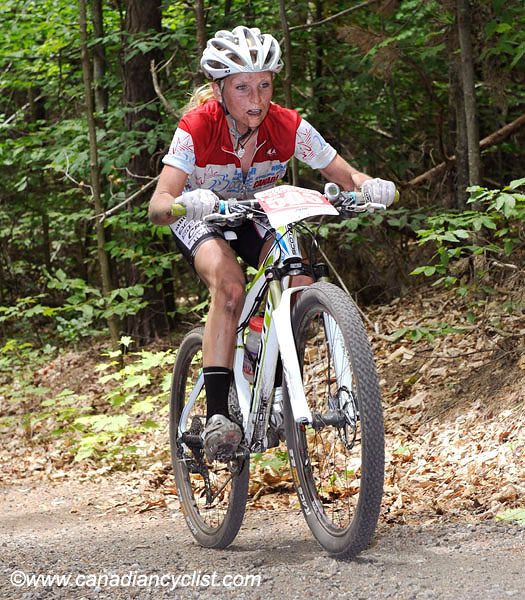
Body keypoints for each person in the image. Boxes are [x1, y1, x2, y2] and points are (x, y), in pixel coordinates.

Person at [149, 26, 396, 460]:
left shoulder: (288, 125)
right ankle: (218, 415)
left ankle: (275, 378)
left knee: (297, 276)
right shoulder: (195, 128)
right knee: (229, 284)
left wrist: (369, 185)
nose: (256, 99)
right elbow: (158, 205)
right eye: (242, 87)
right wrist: (188, 200)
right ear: (219, 89)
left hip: (255, 214)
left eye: (264, 85)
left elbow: (346, 175)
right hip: (200, 216)